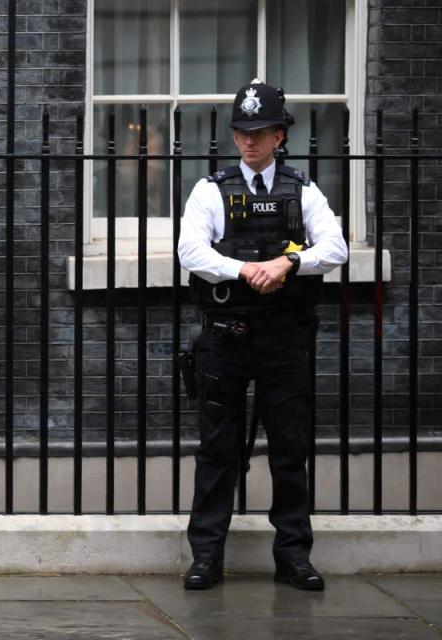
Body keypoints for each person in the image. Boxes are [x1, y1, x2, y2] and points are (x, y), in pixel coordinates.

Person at [178, 80, 348, 592]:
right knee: (217, 451)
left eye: (259, 133)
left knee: (290, 451)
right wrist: (245, 270)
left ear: (279, 136)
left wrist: (289, 261)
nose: (248, 142)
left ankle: (293, 557)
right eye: (241, 132)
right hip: (226, 338)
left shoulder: (304, 190)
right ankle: (207, 556)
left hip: (285, 339)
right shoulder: (210, 190)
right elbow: (192, 253)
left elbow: (335, 248)